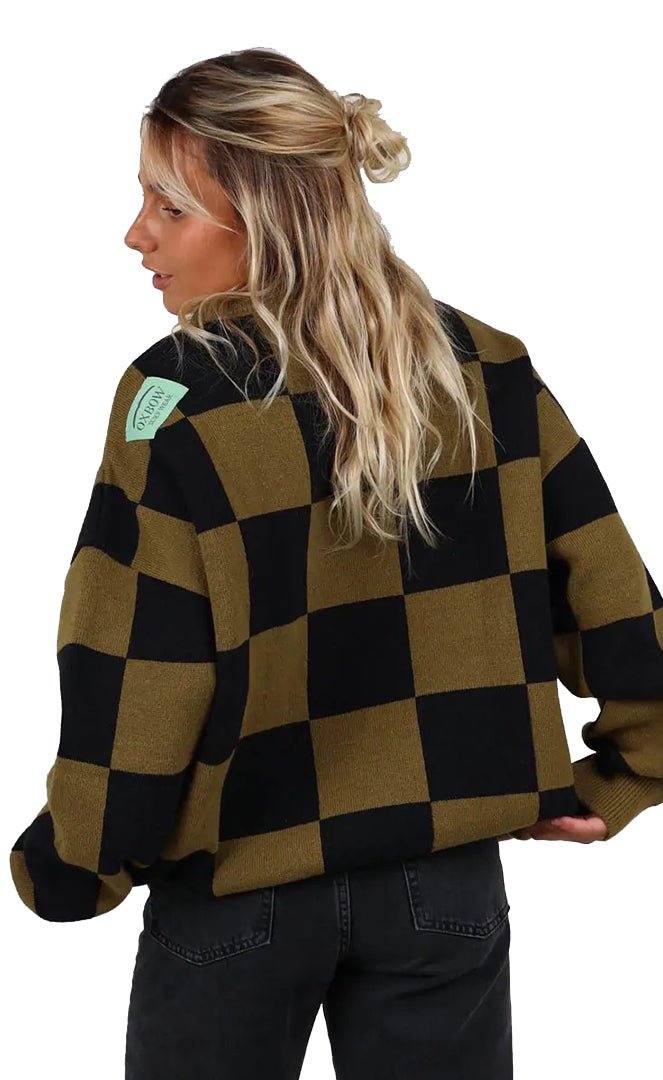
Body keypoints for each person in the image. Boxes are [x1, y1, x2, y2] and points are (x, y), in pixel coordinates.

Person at [9, 47, 663, 1080]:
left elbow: (137, 670)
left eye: (169, 206)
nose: (136, 233)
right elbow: (611, 593)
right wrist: (633, 768)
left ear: (266, 216)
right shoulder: (487, 368)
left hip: (237, 888)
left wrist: (73, 863)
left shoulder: (176, 400)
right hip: (444, 886)